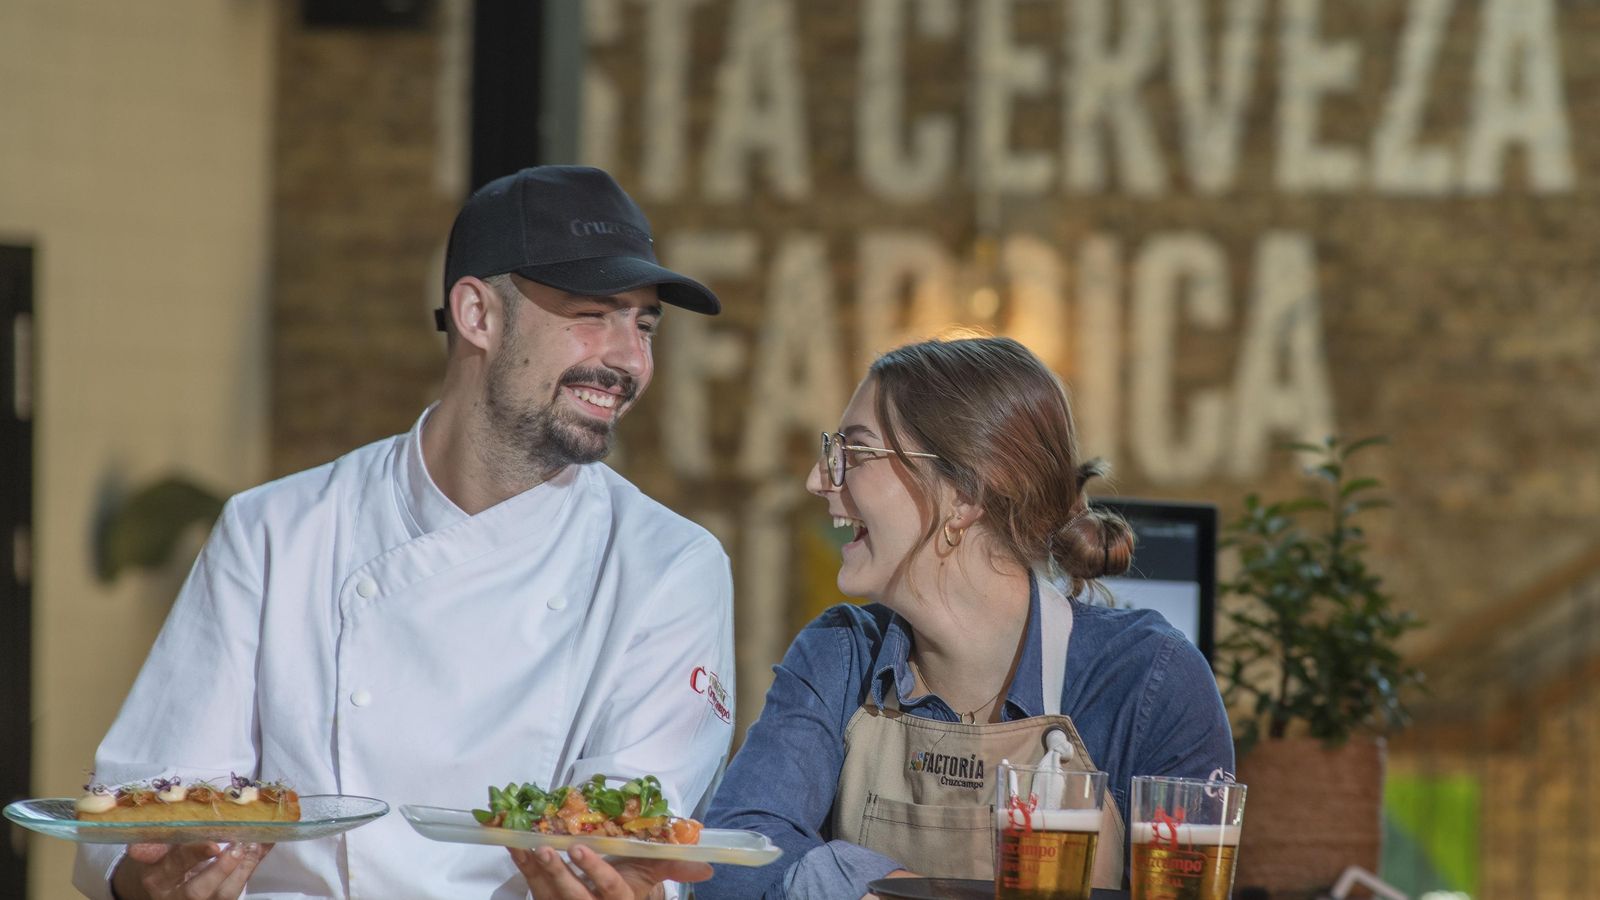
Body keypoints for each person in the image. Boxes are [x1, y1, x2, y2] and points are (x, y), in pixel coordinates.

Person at [73, 166, 735, 900]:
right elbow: (148, 808)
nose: (631, 360)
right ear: (478, 315)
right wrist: (148, 877)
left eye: (643, 324)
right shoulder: (276, 533)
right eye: (594, 314)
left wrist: (630, 887)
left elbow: (631, 832)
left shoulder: (667, 566)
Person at [699, 336, 1233, 899]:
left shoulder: (1147, 678)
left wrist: (841, 879)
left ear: (964, 494)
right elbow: (738, 853)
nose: (819, 478)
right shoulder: (839, 655)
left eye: (855, 453)